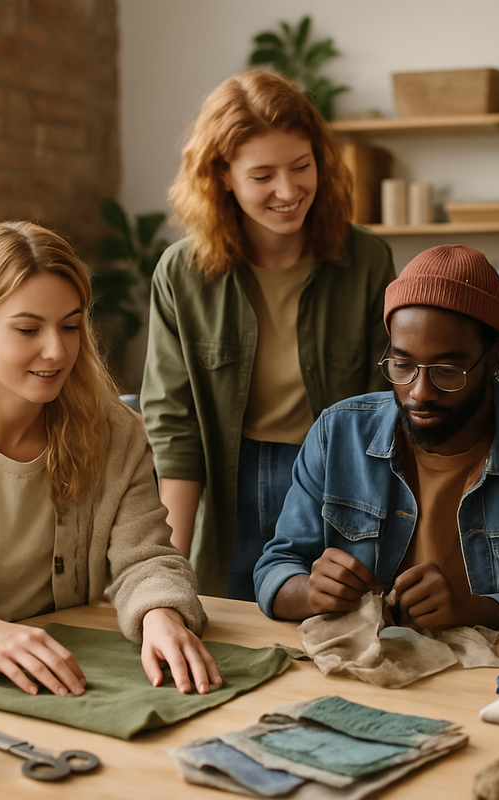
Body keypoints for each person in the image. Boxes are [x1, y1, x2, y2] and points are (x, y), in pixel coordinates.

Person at [0, 221, 222, 697]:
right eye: (28, 328)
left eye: (71, 326)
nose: (56, 351)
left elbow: (146, 558)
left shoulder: (113, 431)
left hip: (54, 678)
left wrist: (160, 614)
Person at [254, 244, 499, 640]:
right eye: (402, 365)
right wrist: (310, 593)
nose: (419, 392)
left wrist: (473, 609)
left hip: (486, 684)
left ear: (494, 359)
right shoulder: (338, 434)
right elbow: (275, 567)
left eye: (447, 370)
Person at [140, 70, 395, 601]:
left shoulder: (367, 260)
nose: (288, 190)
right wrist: (170, 568)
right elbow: (175, 428)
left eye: (301, 167)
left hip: (335, 482)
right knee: (228, 628)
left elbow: (390, 405)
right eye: (262, 176)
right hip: (228, 480)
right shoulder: (181, 274)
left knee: (332, 626)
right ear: (222, 176)